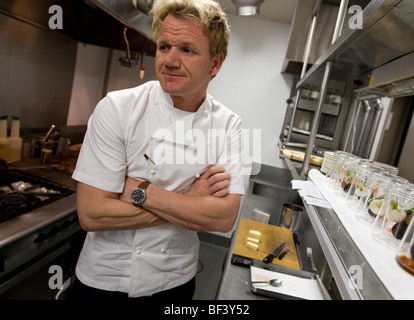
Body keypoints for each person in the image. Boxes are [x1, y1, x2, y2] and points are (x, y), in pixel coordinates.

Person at [70, 0, 244, 300]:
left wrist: (141, 191)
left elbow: (223, 219)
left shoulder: (229, 126)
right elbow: (92, 213)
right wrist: (190, 201)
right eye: (164, 46)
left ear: (215, 63)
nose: (170, 60)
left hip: (173, 282)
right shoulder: (117, 108)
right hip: (104, 278)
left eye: (187, 50)